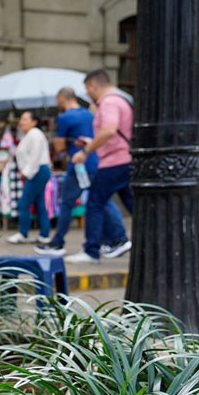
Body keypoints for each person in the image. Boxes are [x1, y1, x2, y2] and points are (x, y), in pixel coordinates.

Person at [37, 87, 125, 256]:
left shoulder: (64, 117)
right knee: (102, 201)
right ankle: (116, 238)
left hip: (79, 163)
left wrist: (66, 144)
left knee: (68, 203)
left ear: (62, 98)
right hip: (97, 160)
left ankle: (58, 242)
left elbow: (59, 147)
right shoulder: (89, 114)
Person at [67, 70, 134, 264]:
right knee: (134, 205)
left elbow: (109, 130)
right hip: (123, 159)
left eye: (87, 89)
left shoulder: (109, 102)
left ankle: (91, 250)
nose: (87, 94)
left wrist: (86, 150)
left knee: (95, 203)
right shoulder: (120, 100)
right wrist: (92, 141)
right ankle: (150, 242)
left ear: (93, 86)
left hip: (114, 161)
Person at [6, 111, 53, 244]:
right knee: (39, 203)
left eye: (25, 119)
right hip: (36, 170)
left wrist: (26, 172)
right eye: (21, 119)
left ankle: (23, 233)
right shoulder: (29, 135)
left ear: (34, 122)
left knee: (24, 202)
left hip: (37, 170)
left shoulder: (35, 134)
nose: (22, 122)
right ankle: (44, 234)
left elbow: (35, 155)